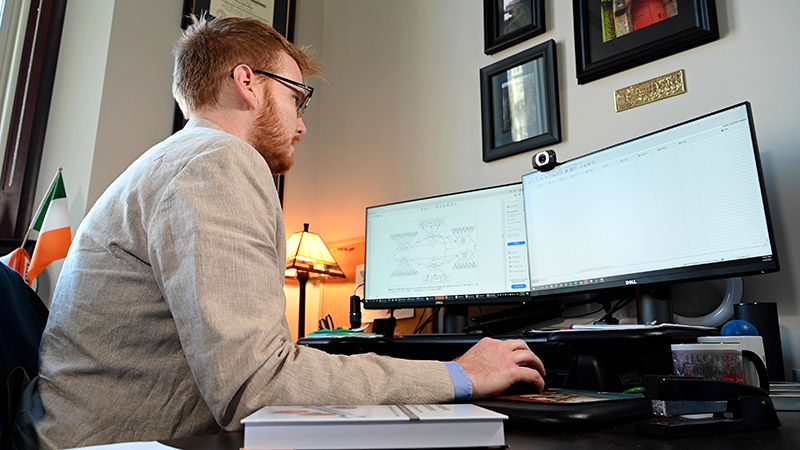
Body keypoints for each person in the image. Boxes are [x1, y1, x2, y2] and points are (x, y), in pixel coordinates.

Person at [12, 15, 545, 450]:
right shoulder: (218, 161)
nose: (302, 122)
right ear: (248, 83)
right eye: (298, 97)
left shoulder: (174, 162)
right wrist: (460, 374)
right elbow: (256, 385)